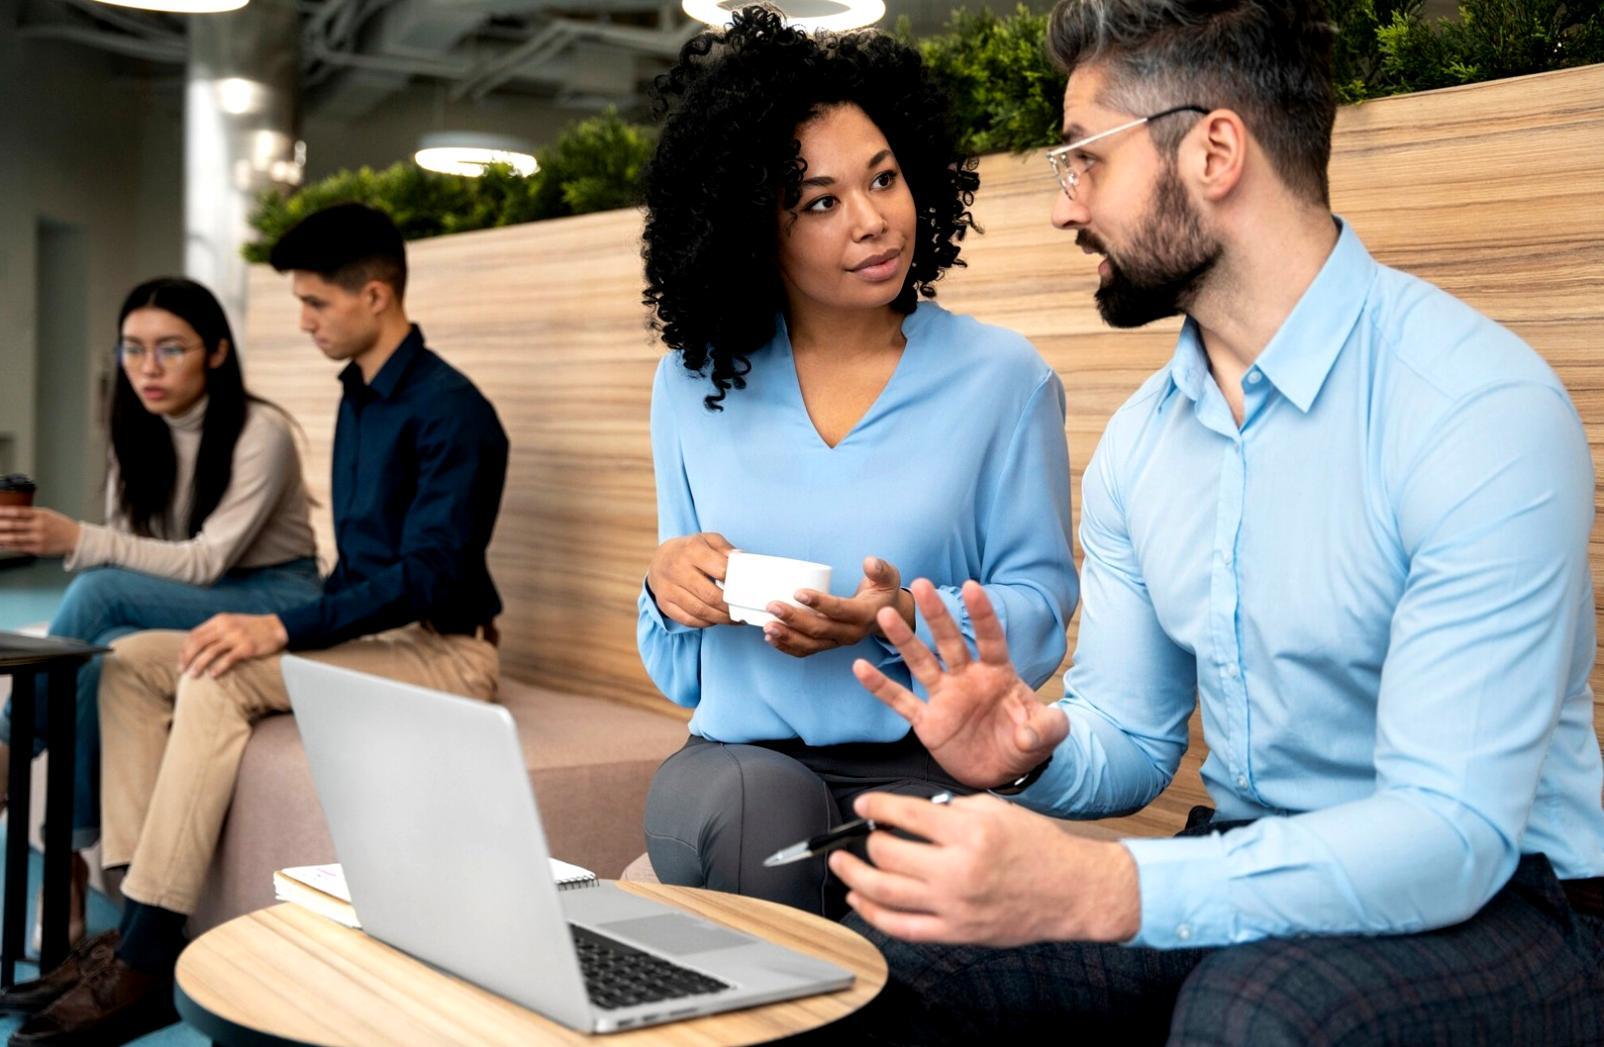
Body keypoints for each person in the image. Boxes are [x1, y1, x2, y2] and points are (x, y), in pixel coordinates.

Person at [820, 0, 1604, 1042]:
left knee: (1256, 1012)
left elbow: (1448, 835)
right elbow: (1133, 739)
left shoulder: (1473, 410)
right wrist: (1025, 753)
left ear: (1214, 152)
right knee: (897, 951)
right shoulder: (1143, 445)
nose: (1063, 208)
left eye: (1084, 161)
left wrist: (1105, 887)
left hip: (1512, 899)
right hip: (1250, 856)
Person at [1, 202, 511, 1047]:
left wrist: (282, 626)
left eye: (315, 303)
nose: (303, 321)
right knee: (130, 662)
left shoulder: (451, 411)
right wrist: (292, 623)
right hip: (370, 634)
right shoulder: (360, 396)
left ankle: (144, 956)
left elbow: (431, 577)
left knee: (219, 669)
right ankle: (132, 926)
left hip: (444, 650)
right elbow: (358, 567)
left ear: (375, 295)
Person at [637, 6, 1079, 918]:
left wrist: (899, 618)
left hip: (926, 762)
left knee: (907, 877)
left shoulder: (1004, 379)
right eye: (821, 202)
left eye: (884, 178)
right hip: (733, 767)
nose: (874, 221)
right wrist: (664, 586)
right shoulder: (692, 383)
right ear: (754, 226)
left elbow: (1039, 612)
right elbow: (680, 669)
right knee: (765, 814)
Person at [0, 277, 320, 947]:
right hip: (185, 597)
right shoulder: (136, 428)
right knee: (101, 656)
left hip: (274, 595)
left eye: (171, 349)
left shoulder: (261, 432)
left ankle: (6, 748)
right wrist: (90, 544)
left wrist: (76, 538)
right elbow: (135, 551)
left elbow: (206, 561)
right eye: (133, 348)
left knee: (97, 593)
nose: (148, 367)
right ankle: (70, 863)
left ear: (217, 353)